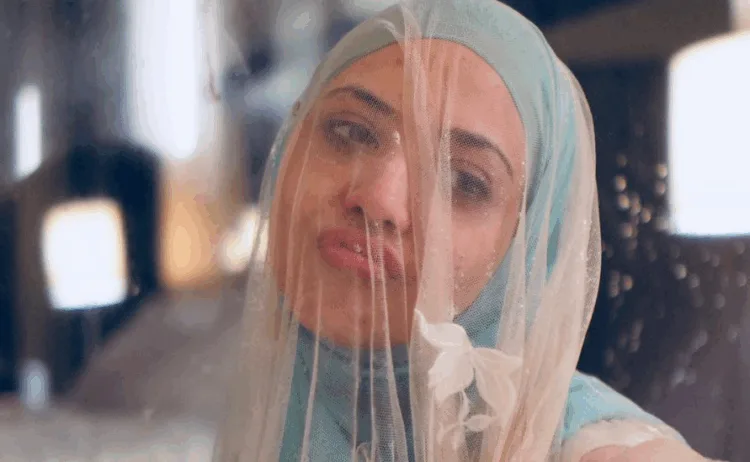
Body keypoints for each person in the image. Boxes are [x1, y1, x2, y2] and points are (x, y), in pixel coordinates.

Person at [213, 1, 715, 460]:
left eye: (464, 181)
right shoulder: (255, 393)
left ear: (524, 248)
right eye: (351, 132)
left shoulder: (604, 452)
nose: (379, 198)